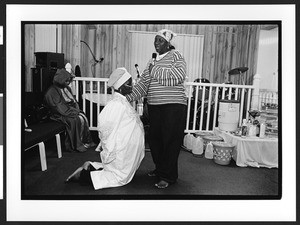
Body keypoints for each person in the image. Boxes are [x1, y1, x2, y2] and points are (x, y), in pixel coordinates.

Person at [125, 29, 187, 189]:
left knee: (170, 142)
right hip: (154, 107)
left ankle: (167, 176)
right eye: (155, 40)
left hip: (173, 106)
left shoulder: (177, 56)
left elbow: (178, 76)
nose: (156, 43)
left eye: (160, 40)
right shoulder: (151, 62)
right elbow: (143, 85)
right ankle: (160, 169)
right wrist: (125, 97)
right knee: (155, 140)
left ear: (168, 43)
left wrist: (155, 71)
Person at [65, 68, 145, 190]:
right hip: (120, 151)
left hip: (127, 151)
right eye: (129, 84)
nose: (132, 85)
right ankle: (83, 175)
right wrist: (109, 150)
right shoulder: (116, 104)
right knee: (120, 178)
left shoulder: (122, 102)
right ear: (120, 87)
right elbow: (106, 127)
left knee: (123, 174)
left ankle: (91, 166)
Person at [44, 68, 94, 153]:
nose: (68, 83)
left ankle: (85, 141)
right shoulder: (52, 91)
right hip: (58, 114)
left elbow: (73, 100)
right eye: (66, 81)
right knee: (74, 120)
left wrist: (76, 110)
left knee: (83, 116)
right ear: (60, 80)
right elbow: (57, 106)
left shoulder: (66, 88)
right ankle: (75, 145)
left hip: (68, 110)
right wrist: (73, 112)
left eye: (68, 81)